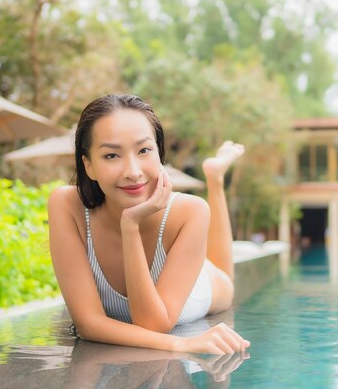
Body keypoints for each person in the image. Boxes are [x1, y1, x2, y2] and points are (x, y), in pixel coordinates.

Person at [48, 94, 249, 354]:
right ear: (88, 166)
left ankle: (215, 177)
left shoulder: (190, 211)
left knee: (226, 282)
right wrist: (181, 344)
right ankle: (214, 173)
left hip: (196, 286)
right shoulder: (66, 205)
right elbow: (87, 324)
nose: (132, 171)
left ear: (159, 153)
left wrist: (129, 226)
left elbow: (153, 325)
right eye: (111, 155)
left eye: (144, 150)